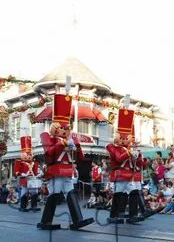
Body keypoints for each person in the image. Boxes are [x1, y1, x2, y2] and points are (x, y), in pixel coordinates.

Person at [37, 93, 94, 230]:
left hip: (68, 170)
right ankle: (46, 221)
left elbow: (79, 157)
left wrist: (77, 146)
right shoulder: (48, 138)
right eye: (61, 127)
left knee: (70, 192)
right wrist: (63, 144)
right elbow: (48, 153)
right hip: (56, 170)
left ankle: (77, 220)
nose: (64, 130)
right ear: (55, 128)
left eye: (66, 127)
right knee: (55, 193)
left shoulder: (71, 140)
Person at [106, 107, 141, 224]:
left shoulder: (129, 149)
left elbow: (137, 165)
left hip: (129, 175)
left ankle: (133, 215)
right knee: (118, 194)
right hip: (120, 174)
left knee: (134, 192)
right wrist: (129, 153)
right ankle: (114, 215)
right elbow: (118, 158)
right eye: (122, 136)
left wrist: (137, 156)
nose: (124, 139)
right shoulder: (112, 147)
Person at [14, 136, 42, 212]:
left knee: (34, 192)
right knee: (24, 192)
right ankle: (23, 206)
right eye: (27, 153)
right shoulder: (19, 162)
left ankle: (34, 206)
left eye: (30, 153)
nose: (29, 155)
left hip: (32, 179)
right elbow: (16, 171)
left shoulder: (34, 162)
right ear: (23, 154)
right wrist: (20, 173)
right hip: (24, 179)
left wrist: (38, 173)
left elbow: (36, 171)